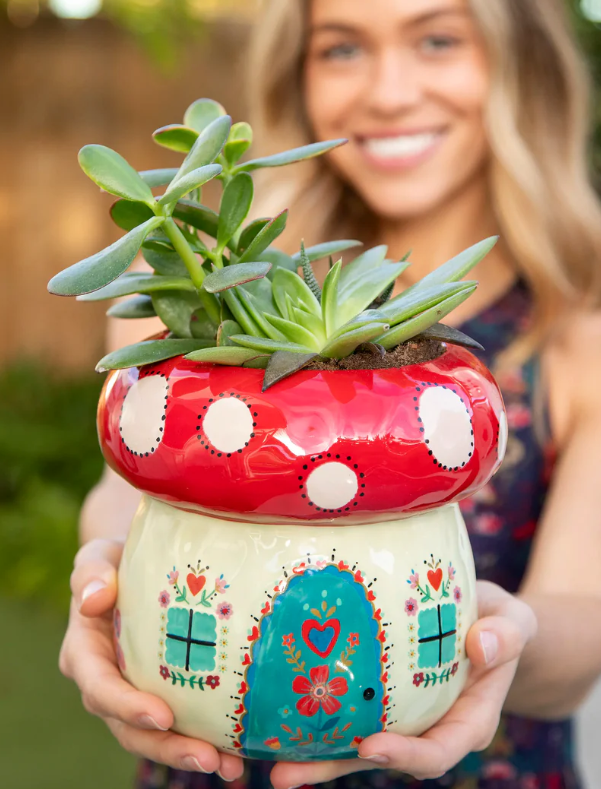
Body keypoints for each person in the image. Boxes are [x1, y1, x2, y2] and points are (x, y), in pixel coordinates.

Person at [59, 0, 601, 787]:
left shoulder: (580, 329)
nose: (386, 91)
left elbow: (582, 618)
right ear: (299, 76)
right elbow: (125, 491)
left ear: (522, 63)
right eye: (341, 49)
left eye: (437, 39)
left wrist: (503, 642)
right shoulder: (200, 302)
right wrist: (105, 585)